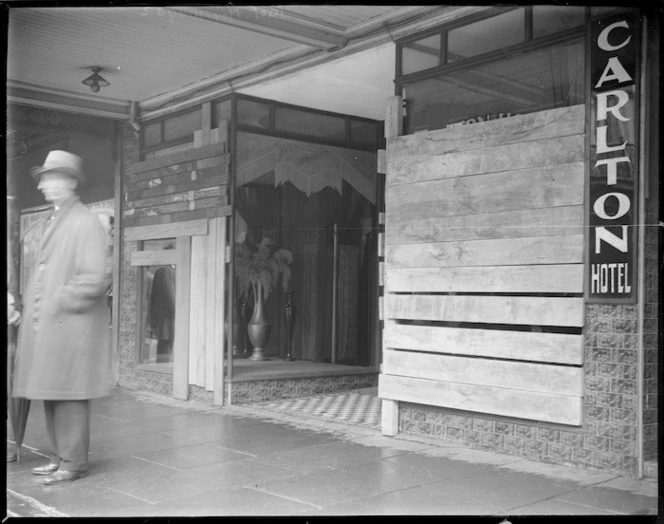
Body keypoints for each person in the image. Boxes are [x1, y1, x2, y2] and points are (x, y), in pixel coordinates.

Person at [13, 150, 114, 485]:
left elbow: (94, 278)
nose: (44, 185)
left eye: (53, 178)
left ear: (71, 183)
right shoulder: (58, 218)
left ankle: (73, 463)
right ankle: (59, 458)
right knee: (52, 390)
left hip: (71, 326)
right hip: (53, 325)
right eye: (44, 179)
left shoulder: (84, 221)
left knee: (69, 394)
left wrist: (57, 299)